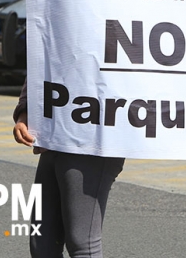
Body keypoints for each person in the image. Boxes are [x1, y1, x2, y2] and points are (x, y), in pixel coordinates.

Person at [13, 0, 125, 258]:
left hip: (96, 130)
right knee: (41, 242)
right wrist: (27, 110)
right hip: (60, 126)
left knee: (83, 240)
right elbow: (45, 49)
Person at [13, 81, 125, 258]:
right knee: (42, 243)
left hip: (94, 136)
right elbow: (40, 60)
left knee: (82, 245)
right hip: (56, 134)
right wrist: (25, 111)